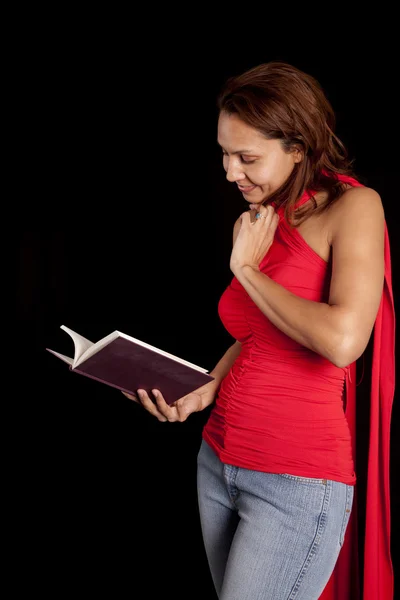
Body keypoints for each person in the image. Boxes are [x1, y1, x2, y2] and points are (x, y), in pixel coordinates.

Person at [124, 62, 395, 599]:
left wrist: (245, 271)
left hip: (295, 479)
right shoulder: (256, 219)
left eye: (247, 157)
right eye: (224, 153)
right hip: (218, 460)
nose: (230, 172)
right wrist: (205, 387)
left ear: (298, 146)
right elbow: (260, 335)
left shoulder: (355, 207)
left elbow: (343, 341)